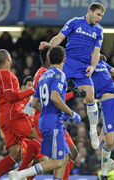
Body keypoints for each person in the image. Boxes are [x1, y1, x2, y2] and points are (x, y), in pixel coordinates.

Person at [39, 2, 105, 149]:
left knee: (90, 97)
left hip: (83, 67)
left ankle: (93, 130)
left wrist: (93, 67)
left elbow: (96, 53)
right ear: (90, 11)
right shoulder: (75, 22)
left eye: (101, 16)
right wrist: (48, 47)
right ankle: (32, 109)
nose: (99, 18)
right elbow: (59, 38)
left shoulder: (99, 31)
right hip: (67, 63)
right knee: (48, 83)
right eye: (98, 14)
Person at [9, 46, 81, 179]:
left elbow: (34, 103)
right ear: (64, 59)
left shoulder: (42, 76)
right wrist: (71, 113)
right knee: (58, 160)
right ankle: (21, 174)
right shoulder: (59, 74)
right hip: (53, 122)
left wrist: (50, 110)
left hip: (45, 119)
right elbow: (55, 97)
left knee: (65, 156)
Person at [0, 49, 39, 180]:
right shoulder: (5, 74)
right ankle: (21, 175)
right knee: (38, 137)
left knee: (16, 153)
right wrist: (30, 91)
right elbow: (11, 97)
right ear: (7, 59)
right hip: (13, 116)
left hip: (5, 116)